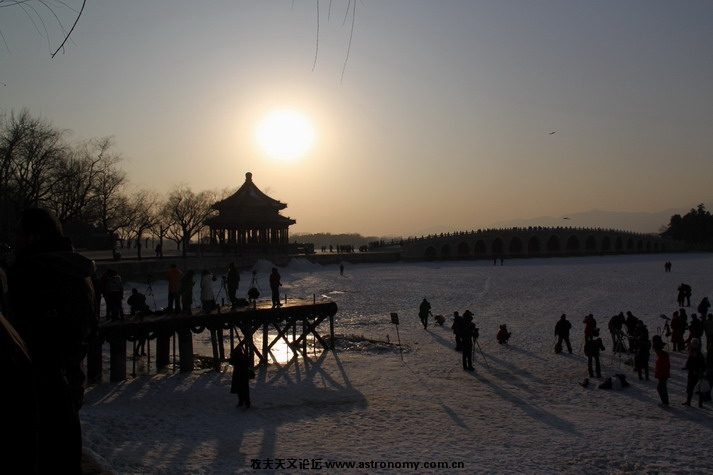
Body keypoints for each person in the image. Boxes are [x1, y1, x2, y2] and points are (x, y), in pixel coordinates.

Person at [5, 208, 97, 474]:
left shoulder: (31, 273)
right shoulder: (79, 271)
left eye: (18, 233)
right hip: (71, 382)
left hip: (38, 390)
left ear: (33, 237)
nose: (14, 240)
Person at [683, 338, 706, 407]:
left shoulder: (692, 353)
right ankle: (700, 404)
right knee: (700, 389)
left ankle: (688, 402)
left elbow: (689, 364)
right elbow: (704, 365)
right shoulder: (700, 354)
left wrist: (688, 368)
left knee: (691, 388)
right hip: (699, 374)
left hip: (693, 374)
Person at [652, 335, 670, 406]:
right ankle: (665, 402)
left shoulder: (663, 356)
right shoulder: (660, 356)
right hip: (661, 374)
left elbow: (665, 366)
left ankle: (665, 402)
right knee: (661, 388)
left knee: (661, 388)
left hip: (663, 375)